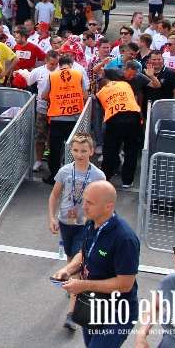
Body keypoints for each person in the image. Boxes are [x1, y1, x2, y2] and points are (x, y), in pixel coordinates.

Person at [51, 180, 140, 348]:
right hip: (92, 304)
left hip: (118, 311)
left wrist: (82, 285)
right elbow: (84, 253)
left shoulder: (124, 239)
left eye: (90, 203)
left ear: (108, 206)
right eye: (84, 200)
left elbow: (124, 285)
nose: (83, 207)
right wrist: (67, 270)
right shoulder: (91, 222)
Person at [47, 133, 107, 331]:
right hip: (66, 221)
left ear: (91, 151)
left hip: (85, 224)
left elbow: (103, 201)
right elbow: (55, 195)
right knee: (70, 257)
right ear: (71, 151)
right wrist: (52, 217)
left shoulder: (98, 175)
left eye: (83, 151)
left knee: (79, 263)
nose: (79, 154)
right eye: (75, 151)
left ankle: (71, 313)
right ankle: (73, 282)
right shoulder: (65, 171)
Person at [41, 55, 89, 185]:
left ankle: (55, 175)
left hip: (57, 117)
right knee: (75, 147)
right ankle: (75, 174)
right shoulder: (79, 74)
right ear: (71, 64)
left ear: (59, 65)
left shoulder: (53, 76)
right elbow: (85, 95)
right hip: (74, 117)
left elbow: (44, 96)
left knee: (55, 148)